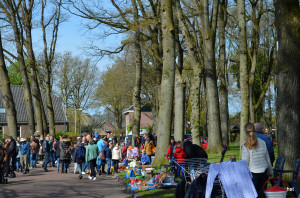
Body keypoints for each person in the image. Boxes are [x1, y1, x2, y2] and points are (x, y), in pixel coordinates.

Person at [242, 122, 273, 198]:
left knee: (253, 195)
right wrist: (270, 171)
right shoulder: (262, 142)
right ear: (254, 130)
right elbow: (267, 158)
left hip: (253, 174)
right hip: (264, 173)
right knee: (262, 194)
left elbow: (245, 162)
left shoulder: (245, 144)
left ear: (245, 132)